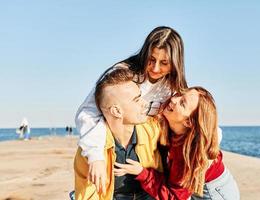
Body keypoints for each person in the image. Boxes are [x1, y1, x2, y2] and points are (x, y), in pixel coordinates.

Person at [75, 26, 187, 192]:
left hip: (151, 159)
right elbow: (87, 113)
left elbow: (191, 115)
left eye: (164, 63)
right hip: (117, 148)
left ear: (175, 64)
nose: (155, 68)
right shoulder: (123, 74)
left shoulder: (173, 87)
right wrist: (95, 156)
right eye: (151, 59)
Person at [114, 87, 240, 200]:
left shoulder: (187, 154)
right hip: (199, 186)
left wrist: (142, 173)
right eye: (179, 94)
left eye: (182, 103)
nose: (174, 99)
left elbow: (174, 197)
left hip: (214, 193)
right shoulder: (177, 128)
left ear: (189, 122)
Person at [74, 68, 164, 200]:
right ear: (116, 111)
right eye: (136, 99)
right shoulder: (90, 152)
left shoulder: (152, 130)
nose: (144, 103)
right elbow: (87, 196)